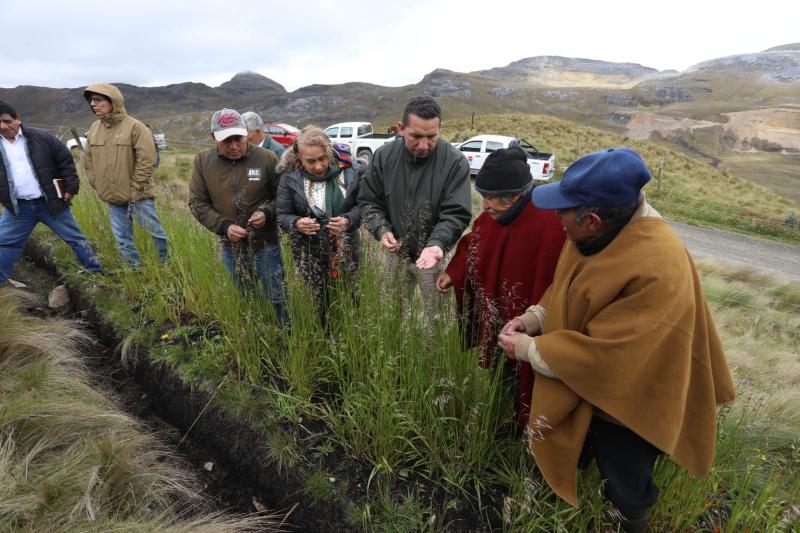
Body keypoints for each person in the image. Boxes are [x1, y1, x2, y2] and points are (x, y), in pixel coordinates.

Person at [497, 147, 736, 532]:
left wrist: (527, 349)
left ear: (592, 219)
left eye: (564, 210)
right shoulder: (596, 232)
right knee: (575, 449)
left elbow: (609, 360)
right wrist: (535, 318)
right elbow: (568, 289)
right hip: (589, 385)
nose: (557, 217)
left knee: (627, 483)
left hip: (635, 398)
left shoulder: (658, 264)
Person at [435, 147, 565, 426]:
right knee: (500, 374)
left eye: (491, 198)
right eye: (482, 196)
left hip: (533, 324)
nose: (485, 206)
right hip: (497, 318)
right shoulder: (491, 218)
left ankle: (529, 429)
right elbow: (473, 243)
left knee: (529, 381)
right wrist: (454, 273)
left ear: (515, 195)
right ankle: (504, 419)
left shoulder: (551, 222)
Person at [359, 96, 471, 320]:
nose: (423, 145)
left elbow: (456, 213)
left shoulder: (455, 162)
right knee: (392, 316)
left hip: (435, 257)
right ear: (401, 128)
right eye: (416, 136)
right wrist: (381, 229)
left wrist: (437, 244)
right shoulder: (383, 157)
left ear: (440, 128)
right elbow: (369, 201)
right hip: (396, 254)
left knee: (437, 321)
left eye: (431, 137)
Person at [188, 108, 288, 327]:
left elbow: (283, 197)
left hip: (266, 244)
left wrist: (267, 213)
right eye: (227, 140)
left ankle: (286, 335)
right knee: (248, 298)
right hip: (230, 247)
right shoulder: (202, 162)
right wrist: (224, 227)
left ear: (245, 133)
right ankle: (259, 333)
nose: (234, 146)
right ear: (213, 137)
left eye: (239, 139)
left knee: (277, 297)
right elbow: (197, 202)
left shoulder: (267, 158)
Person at [0, 101, 102, 283]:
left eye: (7, 121)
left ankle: (96, 273)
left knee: (75, 238)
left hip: (50, 203)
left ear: (17, 119)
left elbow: (65, 161)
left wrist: (70, 188)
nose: (3, 126)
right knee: (5, 243)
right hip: (17, 208)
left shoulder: (43, 138)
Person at [276, 126, 364, 326]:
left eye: (323, 158)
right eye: (311, 161)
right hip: (308, 249)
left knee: (350, 292)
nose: (318, 166)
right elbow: (282, 214)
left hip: (346, 246)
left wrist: (348, 220)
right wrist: (296, 223)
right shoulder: (289, 177)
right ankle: (324, 331)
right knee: (318, 296)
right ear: (299, 158)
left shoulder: (351, 170)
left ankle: (351, 331)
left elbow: (364, 206)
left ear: (329, 151)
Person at [83, 83, 168, 267]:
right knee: (122, 237)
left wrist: (136, 188)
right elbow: (88, 161)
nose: (93, 104)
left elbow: (147, 160)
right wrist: (97, 184)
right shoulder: (95, 128)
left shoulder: (136, 127)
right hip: (112, 196)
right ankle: (134, 270)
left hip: (139, 195)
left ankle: (164, 268)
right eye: (91, 101)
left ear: (113, 101)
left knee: (154, 233)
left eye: (98, 100)